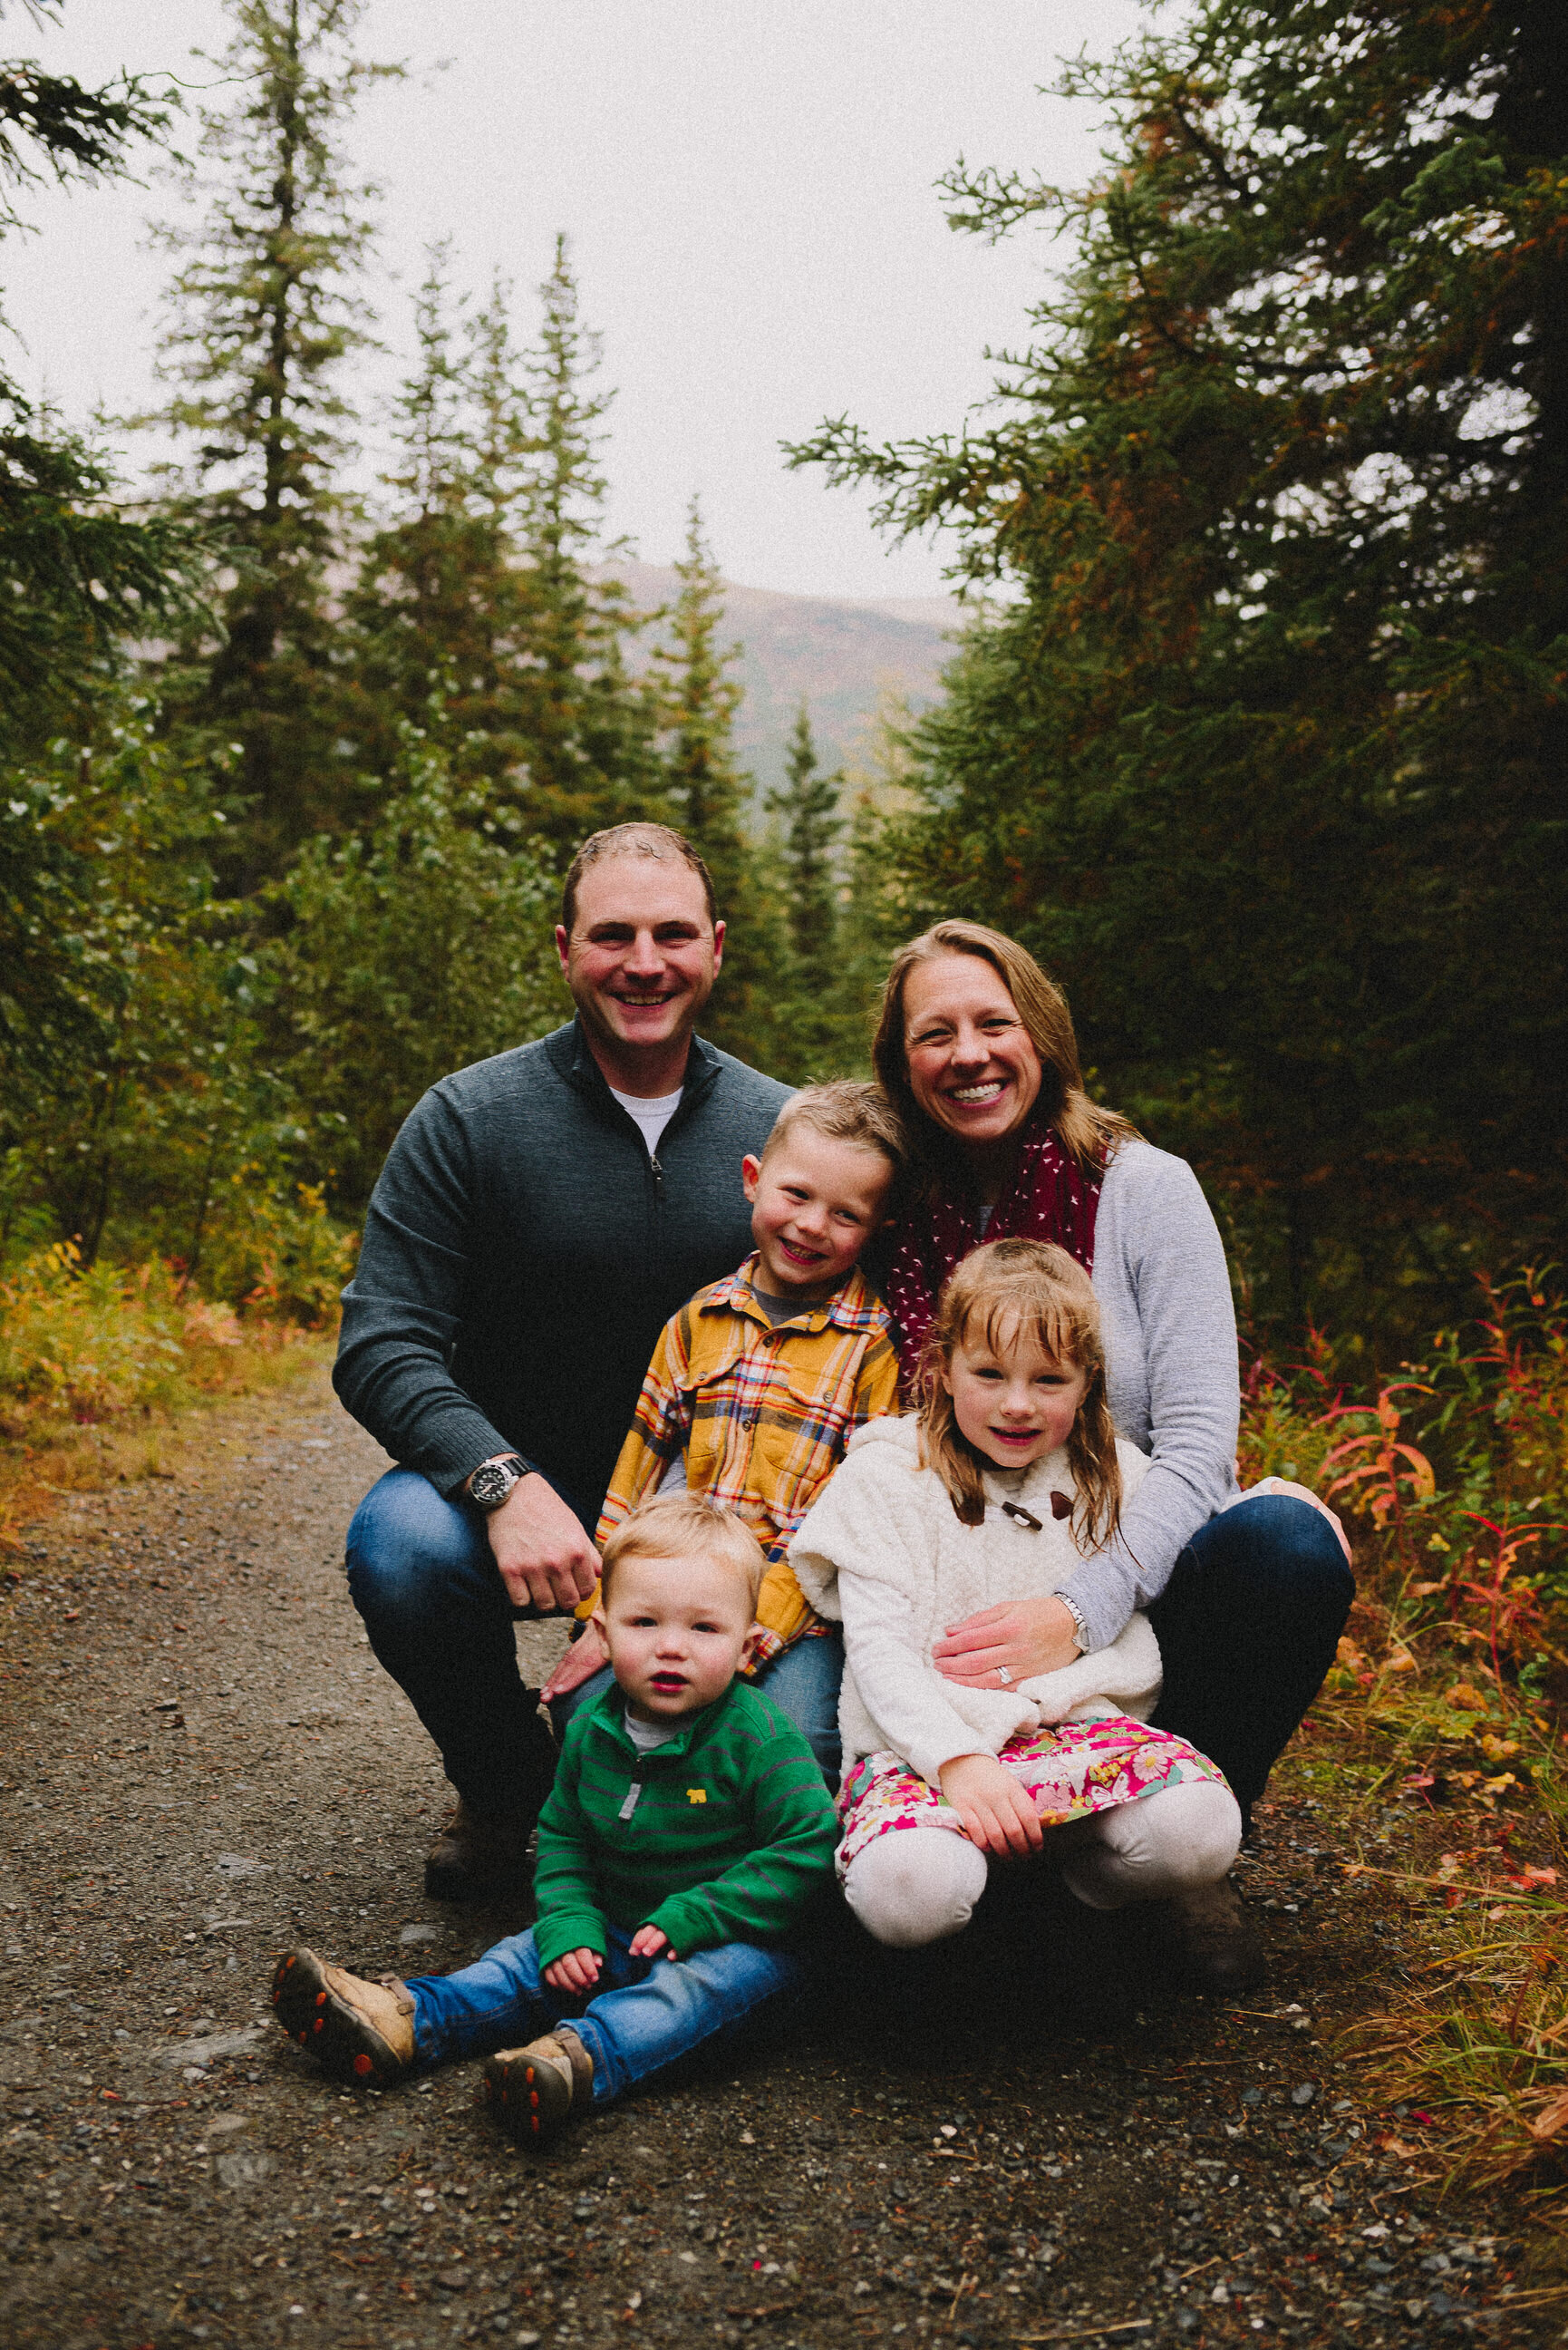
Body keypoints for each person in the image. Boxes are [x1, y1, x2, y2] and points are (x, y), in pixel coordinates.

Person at [864, 920, 1355, 1984]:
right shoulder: (884, 1207)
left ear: (1042, 1034)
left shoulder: (1141, 1189)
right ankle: (943, 1858)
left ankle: (1171, 1863)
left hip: (1114, 1573)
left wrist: (1079, 1609)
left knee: (1284, 1544)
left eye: (994, 1023)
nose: (968, 1054)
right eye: (933, 1033)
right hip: (942, 1584)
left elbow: (1195, 1447)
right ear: (900, 1065)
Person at [333, 823, 791, 1899]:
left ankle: (685, 1803)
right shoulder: (468, 1120)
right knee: (398, 1542)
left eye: (672, 934)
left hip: (716, 1509)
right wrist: (499, 1479)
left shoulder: (783, 1131)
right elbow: (381, 1340)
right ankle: (502, 1791)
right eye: (612, 935)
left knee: (653, 1820)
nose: (644, 962)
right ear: (563, 949)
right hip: (526, 1492)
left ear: (715, 947)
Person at [270, 1496, 838, 2143]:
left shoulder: (759, 1738)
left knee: (692, 1995)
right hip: (619, 1925)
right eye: (645, 1622)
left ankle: (577, 2059)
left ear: (745, 1640)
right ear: (603, 1629)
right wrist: (570, 1921)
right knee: (521, 1960)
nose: (671, 1648)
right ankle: (410, 2018)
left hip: (738, 1939)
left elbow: (810, 1847)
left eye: (704, 1630)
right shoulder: (595, 1731)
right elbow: (565, 1837)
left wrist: (701, 1914)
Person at [790, 1241, 1244, 1964]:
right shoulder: (885, 1474)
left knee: (1203, 1829)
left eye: (1049, 1379)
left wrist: (1284, 1496)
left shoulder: (1114, 1471)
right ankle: (961, 1913)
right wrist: (957, 1760)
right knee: (909, 1891)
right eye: (990, 1373)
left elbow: (1204, 1517)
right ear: (940, 1371)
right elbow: (877, 1652)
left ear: (1087, 1380)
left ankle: (1069, 1898)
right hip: (927, 1753)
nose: (1018, 1404)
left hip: (1079, 1740)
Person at [542, 1081, 905, 1782]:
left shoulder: (875, 1347)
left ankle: (765, 1879)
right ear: (752, 1180)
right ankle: (635, 1854)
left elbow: (857, 1518)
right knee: (584, 1708)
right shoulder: (697, 1322)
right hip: (679, 1584)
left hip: (800, 1609)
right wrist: (602, 1612)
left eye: (845, 1213)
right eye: (795, 1195)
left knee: (792, 1738)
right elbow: (636, 1476)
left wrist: (748, 1636)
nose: (810, 1225)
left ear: (877, 1229)